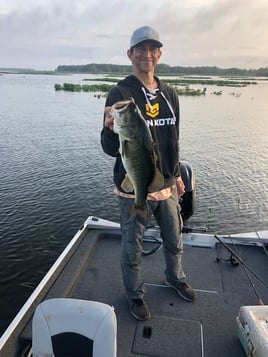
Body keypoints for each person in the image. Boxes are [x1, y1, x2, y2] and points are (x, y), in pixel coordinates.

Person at [101, 26, 196, 321]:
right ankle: (135, 296)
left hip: (167, 184)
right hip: (132, 188)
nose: (147, 54)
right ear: (130, 54)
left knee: (174, 238)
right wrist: (109, 128)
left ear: (159, 54)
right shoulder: (120, 93)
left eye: (152, 48)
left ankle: (175, 277)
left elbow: (173, 139)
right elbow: (108, 148)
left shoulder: (169, 94)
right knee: (132, 248)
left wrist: (178, 175)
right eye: (140, 49)